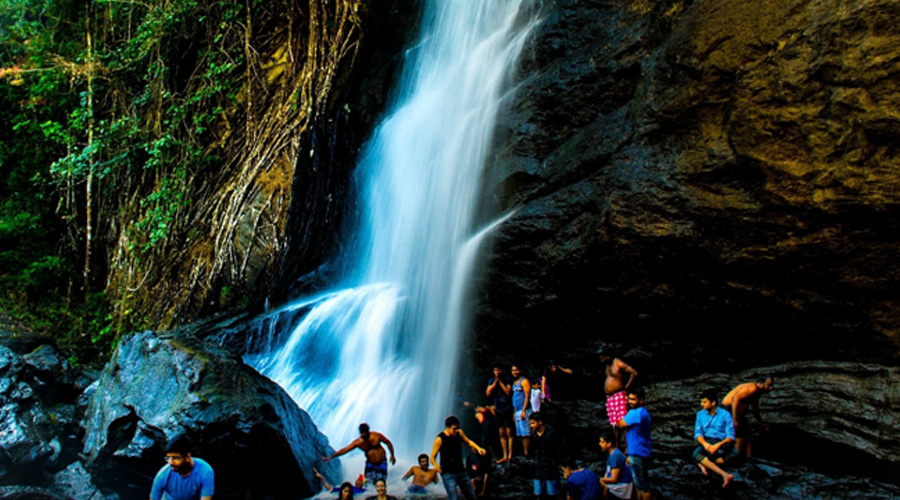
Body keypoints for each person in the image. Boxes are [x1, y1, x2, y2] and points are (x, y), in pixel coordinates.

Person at [431, 415, 487, 500]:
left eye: (457, 428)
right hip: (448, 473)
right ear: (447, 427)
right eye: (454, 429)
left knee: (471, 496)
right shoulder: (440, 439)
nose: (456, 431)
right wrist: (437, 467)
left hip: (461, 471)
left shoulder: (459, 433)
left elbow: (468, 442)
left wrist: (478, 448)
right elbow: (432, 457)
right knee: (454, 497)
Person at [323, 423, 397, 483]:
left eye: (365, 434)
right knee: (368, 483)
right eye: (362, 434)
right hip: (370, 463)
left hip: (382, 461)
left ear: (368, 431)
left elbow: (388, 442)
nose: (364, 436)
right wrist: (332, 457)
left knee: (382, 481)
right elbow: (345, 450)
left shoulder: (376, 436)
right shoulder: (358, 442)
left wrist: (392, 455)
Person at [693, 389, 737, 488]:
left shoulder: (725, 415)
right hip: (707, 442)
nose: (702, 404)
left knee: (736, 454)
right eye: (701, 402)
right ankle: (724, 474)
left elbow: (730, 435)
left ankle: (704, 463)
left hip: (721, 442)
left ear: (713, 403)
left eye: (704, 402)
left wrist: (718, 445)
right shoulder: (700, 415)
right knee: (696, 453)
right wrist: (705, 444)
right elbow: (698, 433)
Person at [722, 376, 774, 457]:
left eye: (771, 386)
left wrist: (760, 422)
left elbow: (755, 409)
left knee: (749, 437)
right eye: (768, 385)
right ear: (760, 383)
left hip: (737, 412)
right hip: (728, 409)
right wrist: (735, 420)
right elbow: (735, 399)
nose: (771, 388)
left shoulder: (757, 393)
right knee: (740, 437)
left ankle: (749, 460)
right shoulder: (752, 389)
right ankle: (734, 458)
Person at [150, 434, 214, 500]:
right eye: (168, 458)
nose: (170, 462)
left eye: (175, 458)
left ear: (187, 457)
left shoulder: (205, 471)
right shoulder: (163, 475)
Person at [615, 388, 652, 500]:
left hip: (638, 451)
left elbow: (621, 424)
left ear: (641, 400)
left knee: (643, 485)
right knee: (639, 484)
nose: (630, 402)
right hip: (639, 450)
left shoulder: (636, 413)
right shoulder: (643, 412)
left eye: (633, 399)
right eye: (629, 399)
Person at [598, 348, 637, 445]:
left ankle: (628, 446)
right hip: (610, 397)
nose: (601, 360)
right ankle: (617, 446)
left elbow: (634, 373)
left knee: (623, 422)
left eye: (602, 357)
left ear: (608, 356)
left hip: (619, 395)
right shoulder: (607, 366)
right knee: (614, 424)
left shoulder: (618, 363)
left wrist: (626, 387)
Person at [529, 412, 564, 499]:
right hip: (538, 465)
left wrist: (555, 463)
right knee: (538, 494)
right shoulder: (533, 435)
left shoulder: (552, 433)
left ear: (540, 422)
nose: (531, 426)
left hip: (550, 466)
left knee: (552, 494)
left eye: (533, 423)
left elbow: (559, 449)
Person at [486, 365, 514, 463]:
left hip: (507, 408)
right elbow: (488, 393)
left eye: (498, 370)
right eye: (495, 370)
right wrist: (495, 382)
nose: (496, 372)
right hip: (498, 409)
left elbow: (508, 392)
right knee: (501, 433)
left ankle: (510, 454)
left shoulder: (507, 379)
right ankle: (504, 455)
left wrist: (500, 382)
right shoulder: (491, 380)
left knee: (509, 432)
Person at [598, 431, 632, 500]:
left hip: (621, 488)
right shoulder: (613, 454)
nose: (600, 444)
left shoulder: (615, 456)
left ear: (609, 444)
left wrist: (599, 479)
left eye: (602, 442)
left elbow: (614, 479)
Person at [511, 365, 534, 456]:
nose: (514, 372)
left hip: (524, 410)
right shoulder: (514, 383)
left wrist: (524, 410)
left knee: (526, 432)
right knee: (520, 433)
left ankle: (527, 452)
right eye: (513, 370)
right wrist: (514, 412)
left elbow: (527, 396)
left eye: (516, 370)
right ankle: (524, 450)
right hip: (517, 410)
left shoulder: (524, 381)